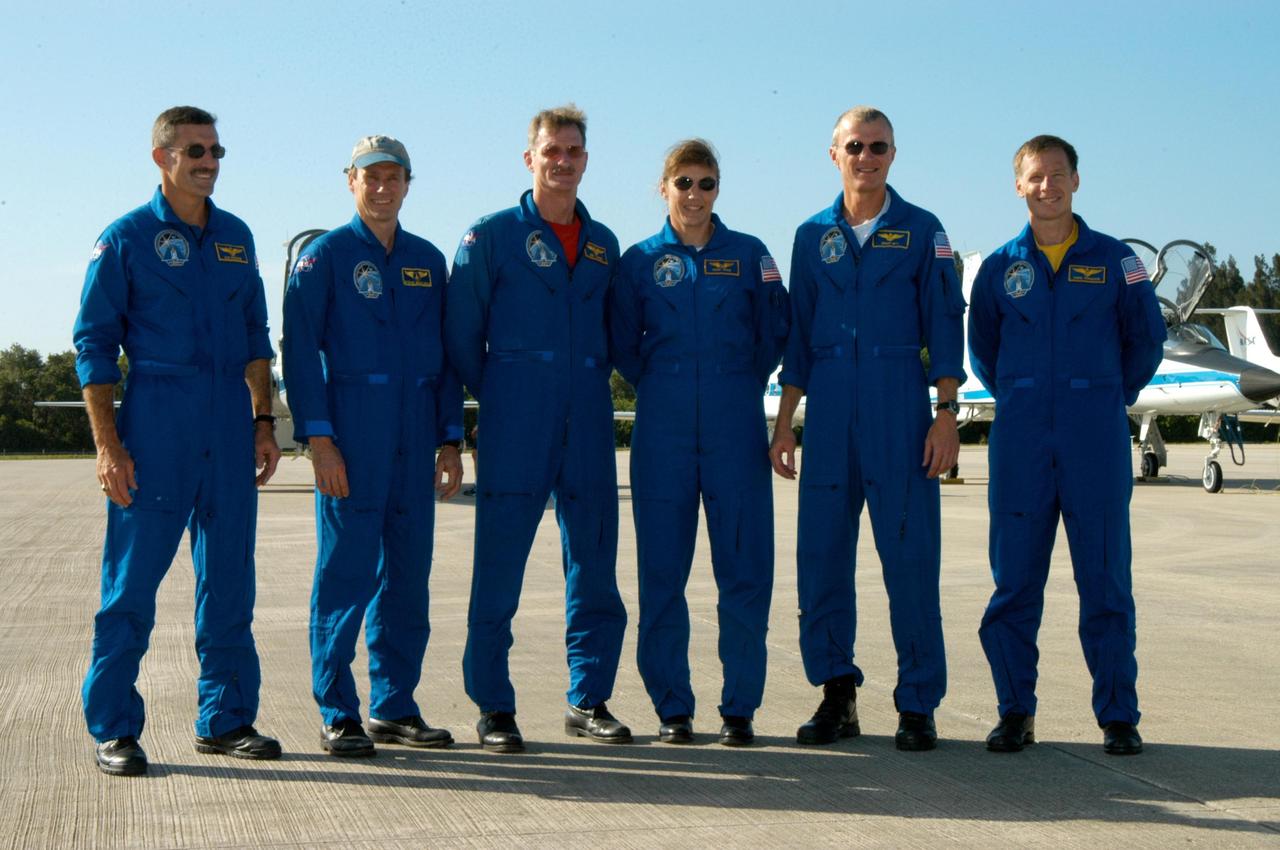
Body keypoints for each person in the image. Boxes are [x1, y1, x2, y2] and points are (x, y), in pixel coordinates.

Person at [74, 106, 282, 776]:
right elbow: (94, 346)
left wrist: (262, 422)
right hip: (157, 421)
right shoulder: (127, 238)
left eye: (216, 150)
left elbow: (255, 338)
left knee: (230, 582)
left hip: (227, 424)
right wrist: (109, 446)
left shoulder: (236, 237)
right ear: (162, 157)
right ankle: (114, 727)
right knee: (131, 586)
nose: (209, 162)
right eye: (195, 150)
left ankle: (225, 719)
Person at [768, 106, 967, 752]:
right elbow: (798, 335)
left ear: (893, 155)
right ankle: (837, 694)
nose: (866, 157)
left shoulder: (923, 231)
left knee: (911, 558)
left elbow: (945, 324)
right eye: (855, 146)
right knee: (821, 558)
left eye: (878, 147)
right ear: (834, 154)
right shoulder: (810, 236)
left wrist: (945, 413)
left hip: (898, 408)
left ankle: (918, 703)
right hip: (827, 411)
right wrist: (785, 423)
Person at [968, 135, 1165, 756]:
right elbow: (983, 350)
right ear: (1018, 186)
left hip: (1094, 438)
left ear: (1076, 181)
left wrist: (1104, 393)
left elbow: (1146, 340)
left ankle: (1118, 716)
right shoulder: (1000, 268)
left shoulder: (1116, 261)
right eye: (1035, 176)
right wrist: (1025, 395)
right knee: (1014, 585)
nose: (1047, 186)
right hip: (1021, 440)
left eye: (1058, 174)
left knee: (1105, 583)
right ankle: (1014, 711)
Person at [446, 104, 630, 752]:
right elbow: (460, 338)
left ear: (586, 160)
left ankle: (589, 697)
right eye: (552, 150)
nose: (562, 161)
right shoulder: (490, 237)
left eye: (573, 151)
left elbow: (620, 334)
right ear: (530, 159)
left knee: (595, 566)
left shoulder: (604, 244)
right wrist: (500, 396)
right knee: (499, 568)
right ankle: (494, 706)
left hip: (589, 421)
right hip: (516, 420)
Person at [283, 135, 463, 757]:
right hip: (352, 434)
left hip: (415, 434)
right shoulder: (324, 257)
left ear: (408, 184)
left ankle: (395, 705)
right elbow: (300, 353)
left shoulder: (428, 261)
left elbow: (446, 357)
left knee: (408, 579)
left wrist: (449, 439)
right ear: (351, 181)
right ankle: (338, 710)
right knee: (345, 576)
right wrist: (319, 440)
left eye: (394, 177)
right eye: (371, 177)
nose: (383, 188)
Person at [611, 139, 788, 746]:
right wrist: (667, 383)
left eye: (705, 183)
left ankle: (739, 708)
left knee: (745, 568)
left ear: (718, 189)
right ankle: (673, 708)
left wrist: (732, 381)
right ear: (663, 189)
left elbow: (774, 332)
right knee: (662, 573)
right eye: (683, 182)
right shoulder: (638, 262)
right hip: (662, 427)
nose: (694, 194)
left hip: (734, 422)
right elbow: (623, 344)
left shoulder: (751, 255)